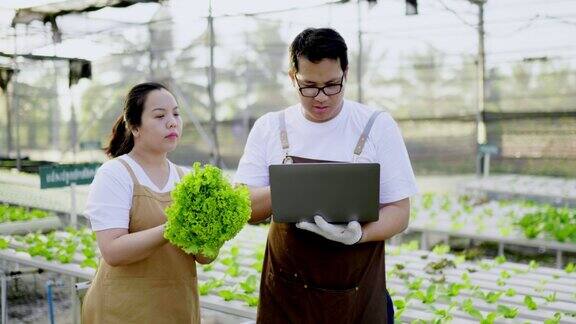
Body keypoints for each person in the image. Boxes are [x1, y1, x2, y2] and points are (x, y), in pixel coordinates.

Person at [234, 28, 418, 323]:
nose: (321, 98)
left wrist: (360, 235)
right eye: (309, 86)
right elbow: (245, 206)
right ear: (292, 76)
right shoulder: (270, 127)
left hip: (356, 292)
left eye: (332, 85)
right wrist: (294, 187)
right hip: (286, 293)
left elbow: (400, 211)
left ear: (346, 72)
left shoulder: (375, 126)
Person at [82, 82, 212, 323]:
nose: (172, 122)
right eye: (160, 116)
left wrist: (214, 230)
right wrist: (172, 227)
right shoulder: (116, 173)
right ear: (134, 127)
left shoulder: (187, 178)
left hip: (177, 309)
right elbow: (113, 250)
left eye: (176, 114)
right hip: (123, 311)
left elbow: (204, 257)